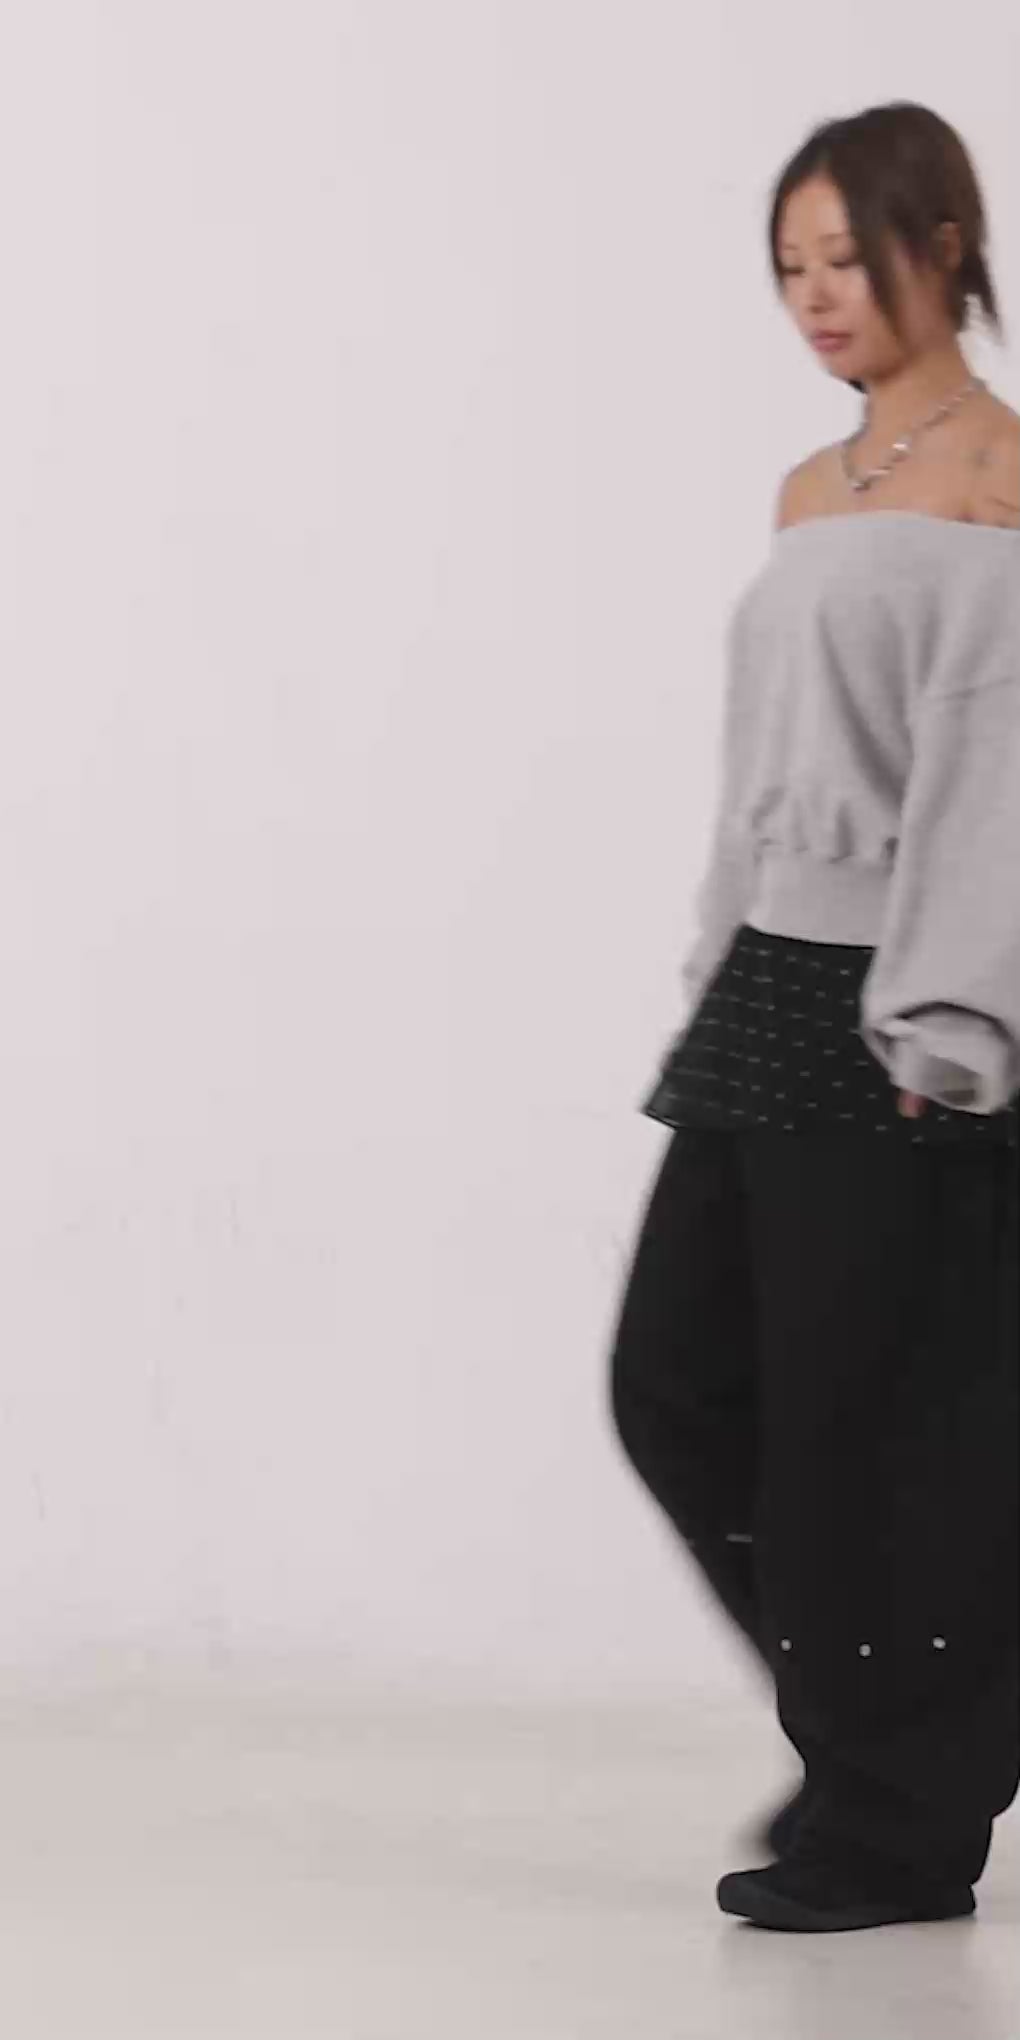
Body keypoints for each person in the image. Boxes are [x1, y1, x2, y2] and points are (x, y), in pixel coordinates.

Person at [608, 100, 1020, 1934]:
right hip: (772, 984)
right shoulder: (808, 490)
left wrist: (955, 1019)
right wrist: (716, 960)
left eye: (848, 256)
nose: (817, 297)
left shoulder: (1001, 478)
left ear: (944, 244)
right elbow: (756, 772)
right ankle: (894, 1738)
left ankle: (898, 1819)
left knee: (864, 1437)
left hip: (908, 1006)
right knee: (681, 1387)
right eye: (789, 268)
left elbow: (998, 784)